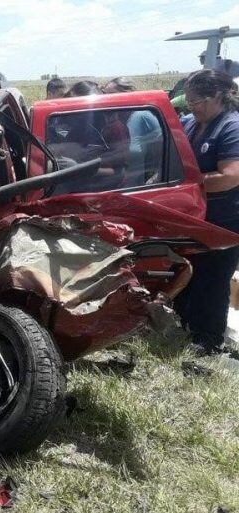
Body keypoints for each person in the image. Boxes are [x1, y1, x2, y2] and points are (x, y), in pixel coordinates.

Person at [174, 69, 239, 354]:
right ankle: (185, 325)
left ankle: (208, 340)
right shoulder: (191, 123)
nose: (192, 108)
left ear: (218, 97)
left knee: (213, 280)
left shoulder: (231, 127)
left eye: (197, 102)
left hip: (222, 220)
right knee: (191, 274)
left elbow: (230, 176)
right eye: (188, 103)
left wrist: (185, 187)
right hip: (195, 217)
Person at [103, 77, 163, 186]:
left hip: (140, 189)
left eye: (112, 95)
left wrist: (155, 179)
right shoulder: (110, 121)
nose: (107, 99)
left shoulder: (143, 117)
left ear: (128, 95)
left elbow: (165, 152)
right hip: (115, 188)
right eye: (105, 95)